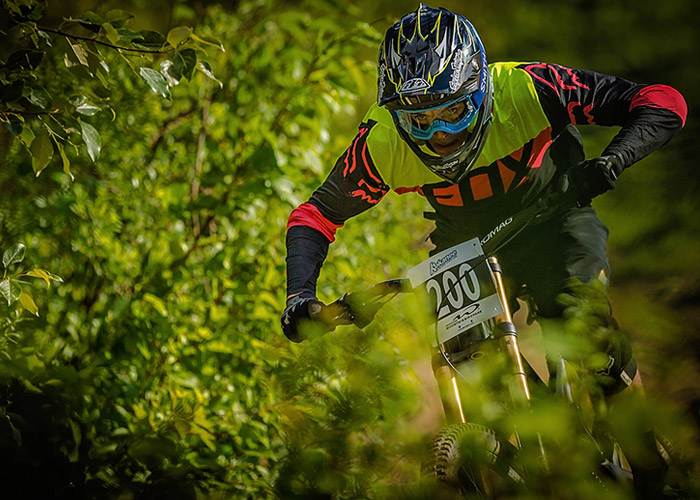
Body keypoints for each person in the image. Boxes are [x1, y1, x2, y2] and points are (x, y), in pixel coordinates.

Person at [281, 3, 687, 497]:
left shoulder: (529, 87)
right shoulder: (382, 141)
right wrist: (300, 296)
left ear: (479, 89)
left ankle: (645, 448)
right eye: (420, 120)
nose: (440, 133)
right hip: (464, 244)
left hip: (556, 216)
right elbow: (314, 216)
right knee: (468, 361)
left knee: (585, 326)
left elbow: (662, 99)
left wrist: (613, 160)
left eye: (452, 110)